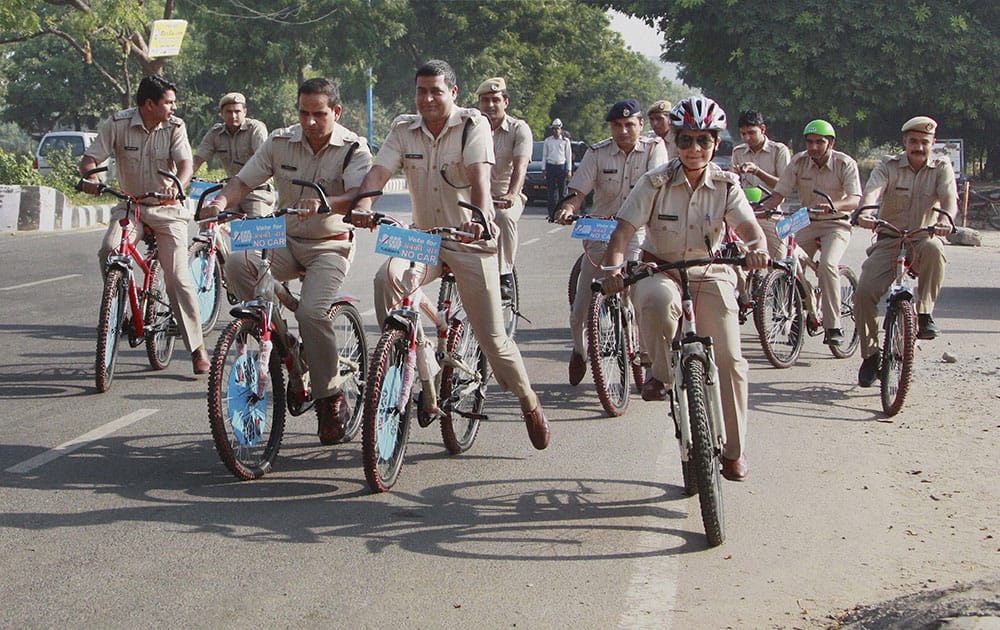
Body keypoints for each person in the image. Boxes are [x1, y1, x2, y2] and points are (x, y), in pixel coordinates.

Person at [349, 59, 549, 450]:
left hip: (468, 239)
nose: (427, 98)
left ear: (452, 93)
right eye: (421, 91)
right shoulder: (403, 129)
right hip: (424, 239)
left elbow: (479, 181)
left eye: (436, 91)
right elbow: (379, 171)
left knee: (493, 339)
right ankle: (418, 368)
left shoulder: (473, 126)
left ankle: (528, 402)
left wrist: (479, 219)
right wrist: (364, 203)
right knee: (385, 279)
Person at [598, 96, 770, 481]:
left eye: (703, 141)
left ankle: (734, 451)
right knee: (658, 302)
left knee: (729, 359)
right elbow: (623, 232)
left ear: (716, 143)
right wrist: (612, 269)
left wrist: (757, 249)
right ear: (675, 141)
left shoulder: (727, 185)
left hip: (711, 272)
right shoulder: (653, 182)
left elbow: (748, 229)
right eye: (686, 140)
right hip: (661, 269)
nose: (694, 150)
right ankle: (659, 373)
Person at [202, 78, 373, 445]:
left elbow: (361, 191)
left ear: (336, 112)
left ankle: (330, 398)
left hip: (330, 243)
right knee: (237, 263)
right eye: (303, 113)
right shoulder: (280, 141)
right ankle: (284, 343)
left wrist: (327, 201)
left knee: (312, 314)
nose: (309, 121)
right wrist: (218, 203)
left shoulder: (353, 147)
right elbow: (243, 182)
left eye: (319, 114)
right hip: (281, 237)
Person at [78, 74, 207, 375]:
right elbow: (89, 160)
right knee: (109, 250)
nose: (174, 107)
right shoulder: (118, 123)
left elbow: (185, 163)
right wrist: (91, 178)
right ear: (149, 104)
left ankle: (197, 348)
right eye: (169, 102)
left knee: (176, 277)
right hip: (131, 206)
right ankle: (120, 300)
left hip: (167, 210)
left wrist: (179, 186)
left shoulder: (175, 127)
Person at [555, 99, 667, 387]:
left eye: (630, 124)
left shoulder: (655, 150)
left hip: (637, 232)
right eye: (617, 125)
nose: (623, 130)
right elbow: (579, 190)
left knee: (641, 299)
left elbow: (658, 184)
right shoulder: (597, 153)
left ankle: (647, 359)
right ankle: (580, 350)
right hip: (601, 230)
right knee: (581, 303)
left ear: (641, 125)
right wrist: (569, 208)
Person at [854, 116, 957, 387]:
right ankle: (871, 355)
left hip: (922, 238)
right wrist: (866, 211)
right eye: (914, 141)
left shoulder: (941, 167)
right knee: (864, 292)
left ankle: (924, 314)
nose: (919, 147)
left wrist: (945, 220)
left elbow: (949, 199)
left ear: (933, 143)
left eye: (925, 142)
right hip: (889, 238)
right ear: (905, 142)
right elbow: (872, 191)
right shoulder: (888, 166)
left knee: (936, 248)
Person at [762, 119, 861, 347]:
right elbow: (779, 193)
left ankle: (833, 325)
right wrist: (761, 210)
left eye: (819, 142)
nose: (814, 147)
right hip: (804, 220)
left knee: (827, 266)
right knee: (785, 263)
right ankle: (797, 311)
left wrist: (834, 205)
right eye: (809, 142)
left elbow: (855, 199)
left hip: (836, 223)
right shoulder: (798, 161)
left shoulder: (845, 163)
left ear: (831, 143)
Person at [192, 92, 274, 260]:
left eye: (237, 111)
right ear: (222, 114)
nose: (233, 115)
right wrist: (177, 183)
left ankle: (258, 275)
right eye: (228, 112)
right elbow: (197, 160)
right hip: (231, 192)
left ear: (245, 111)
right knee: (207, 220)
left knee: (257, 238)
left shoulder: (256, 129)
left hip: (257, 191)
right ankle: (222, 267)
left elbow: (262, 162)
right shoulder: (216, 133)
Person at [476, 76, 532, 300]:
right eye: (485, 100)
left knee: (504, 217)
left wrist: (512, 193)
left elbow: (521, 165)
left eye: (495, 100)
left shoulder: (519, 129)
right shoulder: (471, 128)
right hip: (476, 198)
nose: (490, 105)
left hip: (504, 197)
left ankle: (504, 275)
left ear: (505, 102)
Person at [730, 109, 791, 260]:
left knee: (779, 262)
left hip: (772, 215)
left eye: (751, 133)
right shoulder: (738, 152)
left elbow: (784, 184)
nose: (747, 138)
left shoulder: (779, 150)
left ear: (763, 129)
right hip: (747, 214)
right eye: (743, 134)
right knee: (739, 260)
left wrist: (757, 171)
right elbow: (732, 185)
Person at [542, 118, 572, 220]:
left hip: (561, 166)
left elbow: (568, 156)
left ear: (561, 129)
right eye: (554, 129)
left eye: (557, 129)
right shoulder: (547, 141)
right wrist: (543, 168)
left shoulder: (565, 141)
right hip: (551, 166)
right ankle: (551, 213)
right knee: (551, 192)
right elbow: (544, 155)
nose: (555, 131)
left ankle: (561, 213)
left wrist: (569, 170)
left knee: (562, 191)